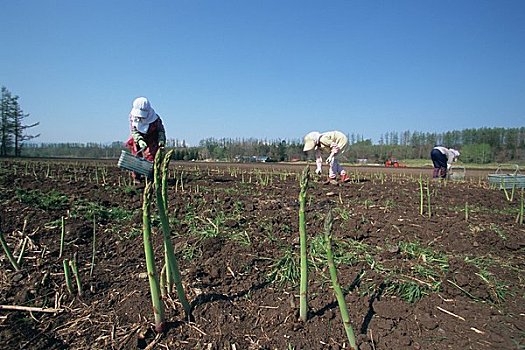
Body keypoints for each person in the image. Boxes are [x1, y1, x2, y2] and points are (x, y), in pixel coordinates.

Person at [125, 97, 166, 181]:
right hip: (139, 137)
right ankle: (136, 177)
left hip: (152, 137)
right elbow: (133, 130)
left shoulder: (155, 119)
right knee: (136, 154)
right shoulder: (132, 117)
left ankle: (150, 176)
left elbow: (161, 130)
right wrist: (139, 140)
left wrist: (161, 139)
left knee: (151, 156)